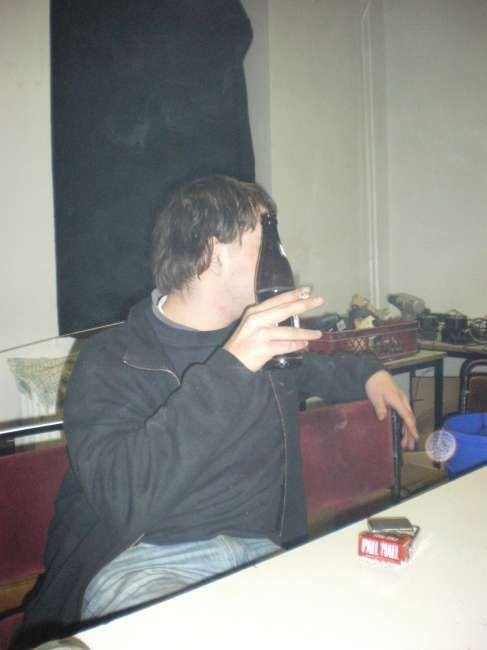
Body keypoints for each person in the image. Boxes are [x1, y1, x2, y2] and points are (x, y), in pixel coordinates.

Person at [18, 175, 417, 647]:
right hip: (147, 565)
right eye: (267, 243)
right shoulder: (111, 360)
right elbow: (124, 497)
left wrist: (370, 372)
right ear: (213, 251)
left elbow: (319, 368)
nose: (281, 259)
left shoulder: (264, 345)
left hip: (262, 557)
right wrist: (232, 366)